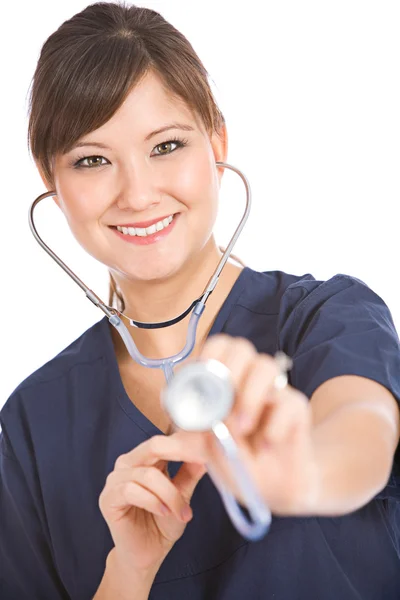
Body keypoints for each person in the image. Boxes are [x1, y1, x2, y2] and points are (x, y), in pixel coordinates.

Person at [1, 2, 400, 599]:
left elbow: (363, 427)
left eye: (165, 146)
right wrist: (128, 572)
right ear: (51, 183)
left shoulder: (327, 318)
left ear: (217, 141)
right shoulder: (31, 426)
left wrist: (307, 474)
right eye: (91, 160)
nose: (137, 194)